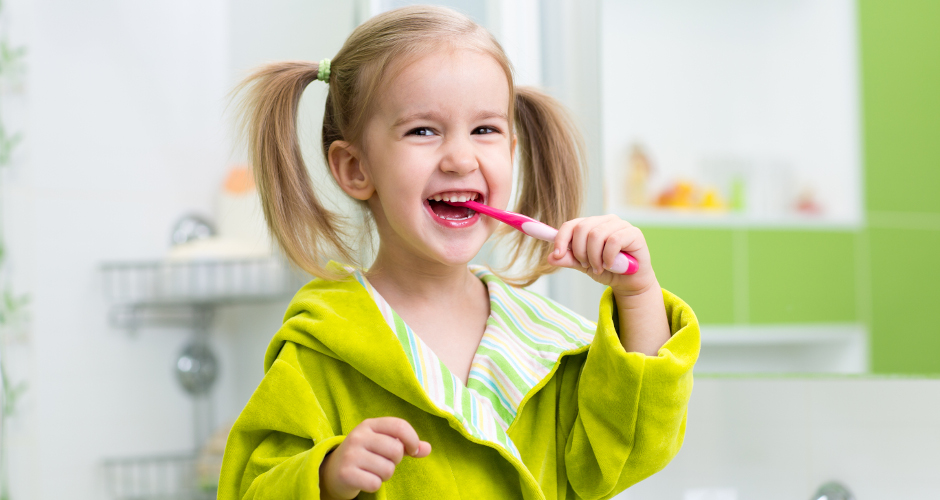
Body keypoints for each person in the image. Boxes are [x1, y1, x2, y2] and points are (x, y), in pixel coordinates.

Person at [218, 5, 699, 500]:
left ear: (512, 150)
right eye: (422, 130)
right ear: (355, 168)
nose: (461, 158)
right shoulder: (321, 348)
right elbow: (249, 489)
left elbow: (632, 448)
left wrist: (637, 292)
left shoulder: (546, 342)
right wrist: (323, 476)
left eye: (485, 130)